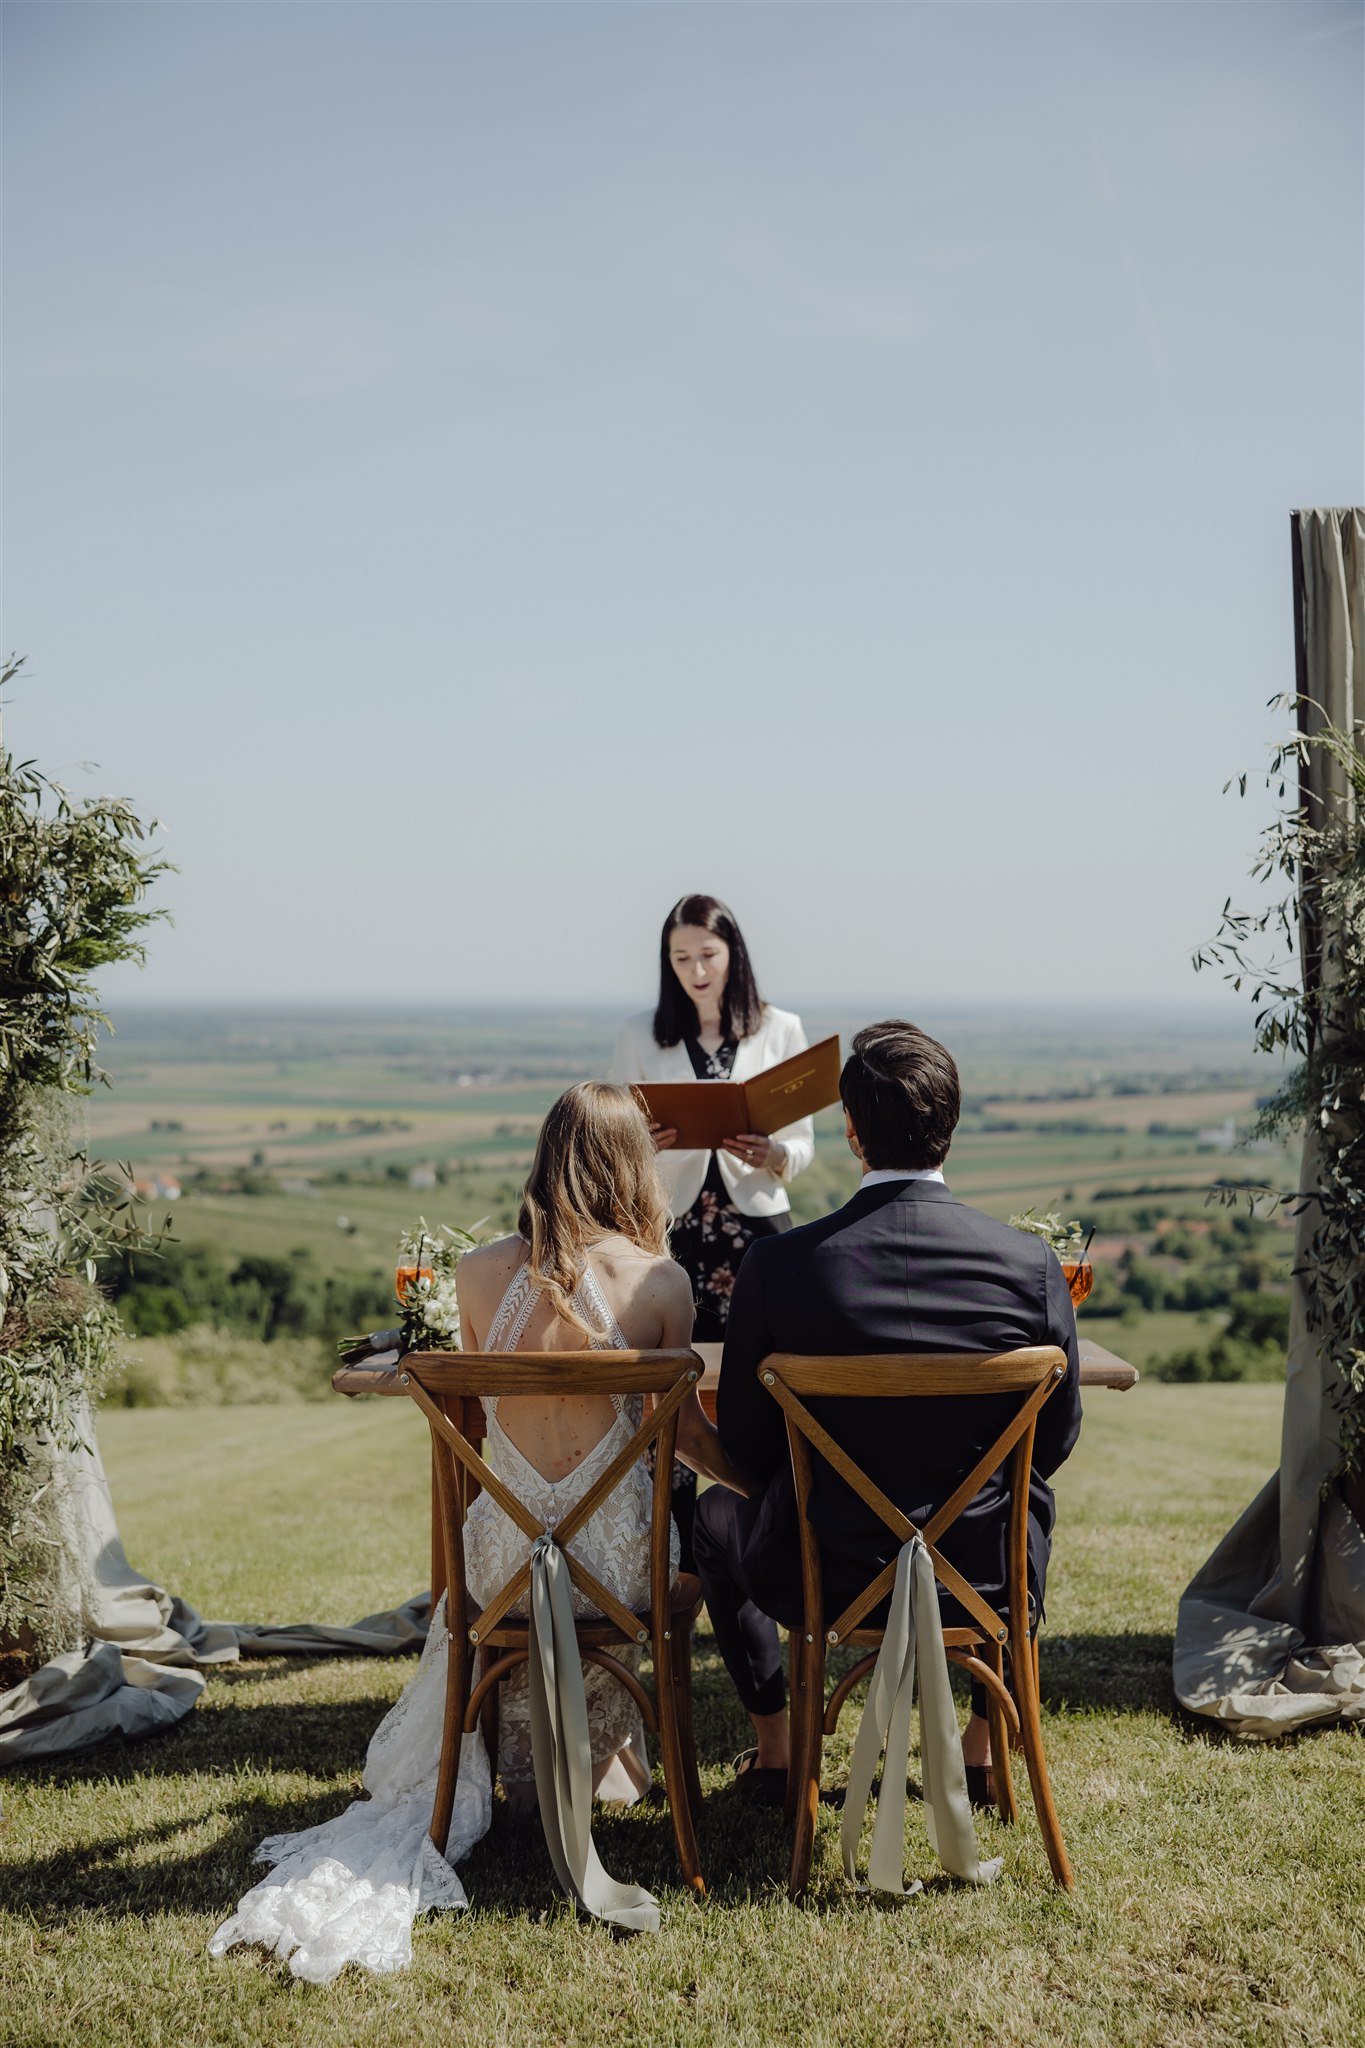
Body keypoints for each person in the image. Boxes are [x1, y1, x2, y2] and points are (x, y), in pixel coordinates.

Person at [210, 1083, 744, 1983]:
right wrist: (763, 1483)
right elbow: (683, 1434)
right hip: (616, 1570)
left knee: (528, 1534)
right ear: (632, 1167)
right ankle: (601, 1769)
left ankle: (553, 1777)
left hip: (496, 1563)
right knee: (671, 1563)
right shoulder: (660, 1282)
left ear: (546, 1156)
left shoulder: (475, 1274)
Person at [691, 1019, 1083, 1808]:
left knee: (710, 1518)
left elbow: (745, 1444)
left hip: (824, 1574)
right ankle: (978, 1754)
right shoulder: (1029, 1266)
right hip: (979, 1574)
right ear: (951, 1126)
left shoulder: (779, 1266)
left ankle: (775, 1755)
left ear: (850, 1131)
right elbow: (1054, 1441)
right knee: (1024, 1503)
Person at [612, 893, 815, 1569]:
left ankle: (760, 1549)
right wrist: (642, 1143)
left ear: (733, 954)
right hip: (666, 1236)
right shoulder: (641, 1036)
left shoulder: (781, 1028)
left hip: (754, 1232)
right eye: (680, 958)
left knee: (756, 1393)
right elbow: (612, 1142)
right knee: (667, 1397)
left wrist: (773, 1154)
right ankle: (669, 1564)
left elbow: (803, 1146)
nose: (695, 969)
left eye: (707, 954)